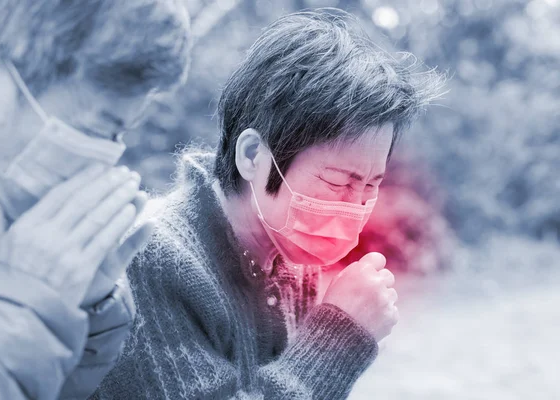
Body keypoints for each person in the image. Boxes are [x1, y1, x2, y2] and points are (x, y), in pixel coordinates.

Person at [93, 8, 443, 400]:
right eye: (337, 181)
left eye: (369, 187)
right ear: (252, 155)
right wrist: (339, 334)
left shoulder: (290, 259)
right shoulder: (154, 258)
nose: (355, 207)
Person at [0, 1, 191, 399]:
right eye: (93, 129)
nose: (102, 158)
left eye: (117, 138)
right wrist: (20, 307)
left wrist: (79, 314)